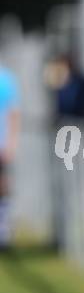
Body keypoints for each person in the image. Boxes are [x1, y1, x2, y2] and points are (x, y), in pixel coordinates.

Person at [0, 63, 19, 249]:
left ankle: (3, 229)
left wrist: (11, 143)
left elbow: (13, 113)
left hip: (1, 144)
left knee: (2, 185)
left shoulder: (4, 79)